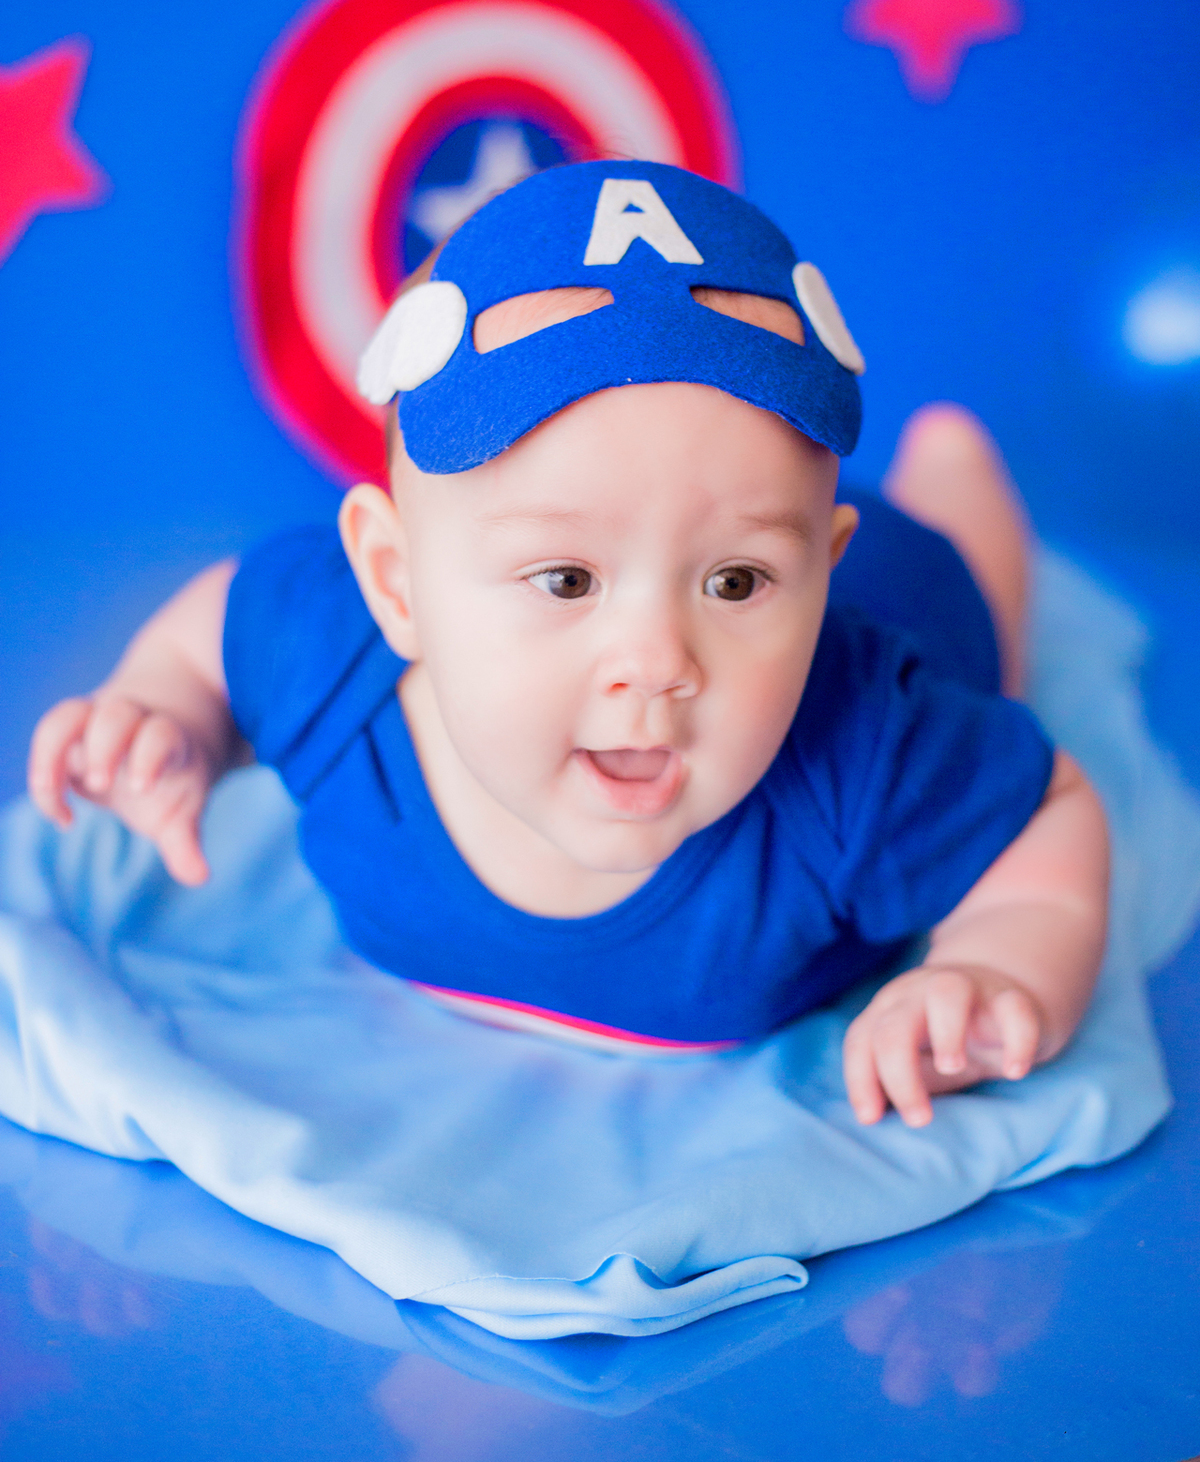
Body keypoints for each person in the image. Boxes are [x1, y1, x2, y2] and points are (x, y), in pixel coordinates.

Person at [26, 161, 1108, 1132]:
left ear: (817, 578)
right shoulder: (333, 664)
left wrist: (998, 965)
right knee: (715, 513)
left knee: (972, 585)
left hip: (912, 591)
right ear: (395, 584)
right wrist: (168, 706)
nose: (658, 660)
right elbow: (221, 624)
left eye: (736, 584)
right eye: (566, 580)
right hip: (744, 520)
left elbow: (1048, 814)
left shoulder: (874, 750)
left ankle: (954, 474)